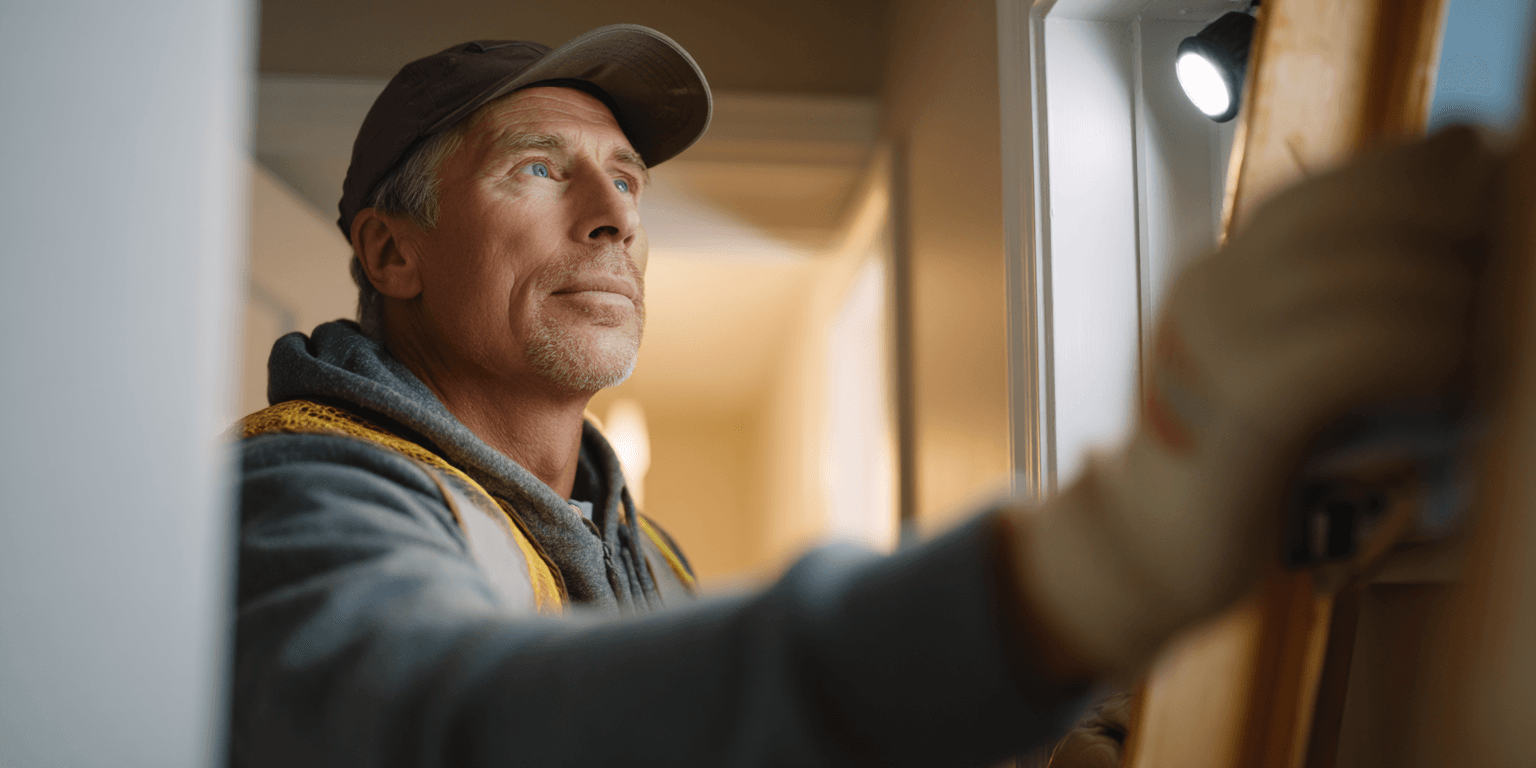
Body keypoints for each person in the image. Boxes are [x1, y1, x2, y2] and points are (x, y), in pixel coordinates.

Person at [230, 23, 1499, 768]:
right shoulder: (304, 488)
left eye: (626, 179)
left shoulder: (634, 544)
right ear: (389, 251)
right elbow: (455, 725)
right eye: (538, 170)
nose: (614, 215)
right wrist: (1103, 558)